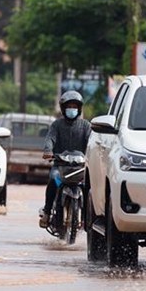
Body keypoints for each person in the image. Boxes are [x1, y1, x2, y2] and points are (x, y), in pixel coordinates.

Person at [39, 90, 92, 228]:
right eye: (69, 106)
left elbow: (91, 142)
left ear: (79, 109)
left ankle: (88, 217)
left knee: (88, 187)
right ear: (63, 108)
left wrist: (93, 154)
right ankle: (47, 211)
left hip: (79, 168)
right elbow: (50, 139)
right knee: (53, 181)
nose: (72, 109)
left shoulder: (86, 126)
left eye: (75, 106)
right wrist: (48, 150)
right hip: (60, 166)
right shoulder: (57, 125)